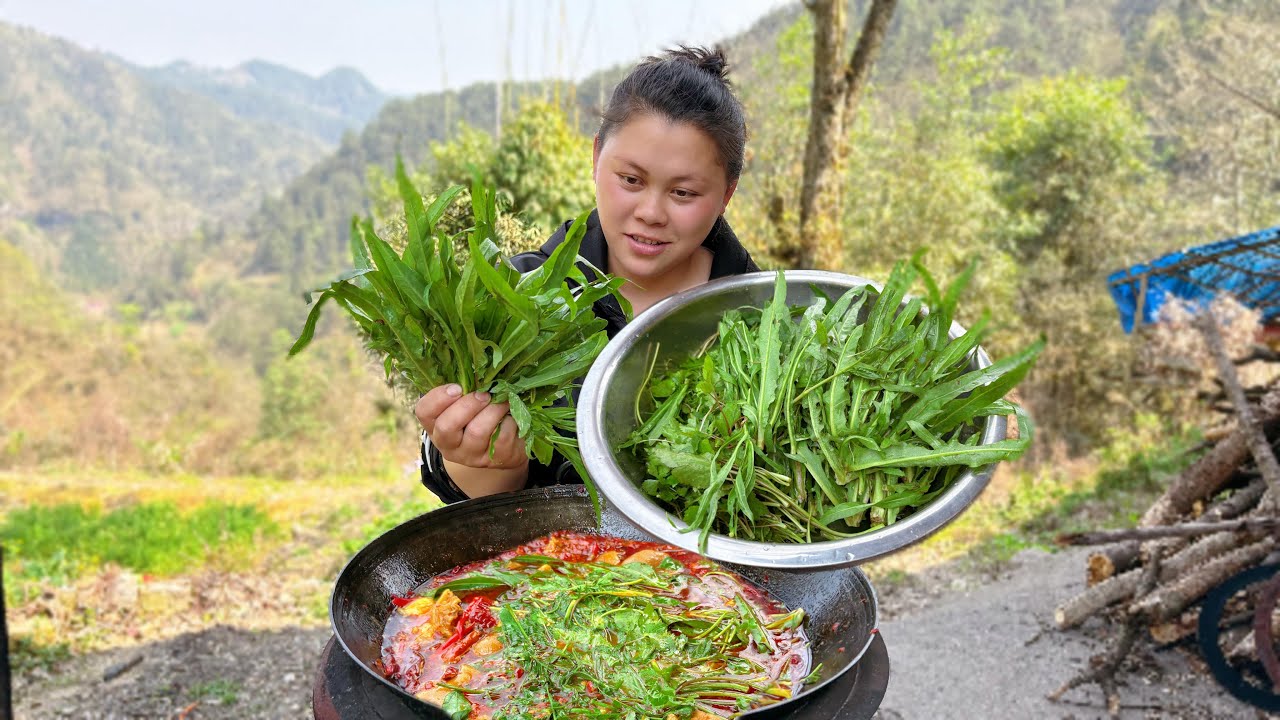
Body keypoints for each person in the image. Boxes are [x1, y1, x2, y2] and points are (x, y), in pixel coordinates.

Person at [415, 45, 760, 503]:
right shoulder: (511, 301)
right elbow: (480, 506)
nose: (650, 212)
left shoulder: (763, 323)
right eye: (631, 180)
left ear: (726, 194)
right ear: (596, 157)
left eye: (682, 192)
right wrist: (484, 458)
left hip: (718, 575)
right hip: (557, 566)